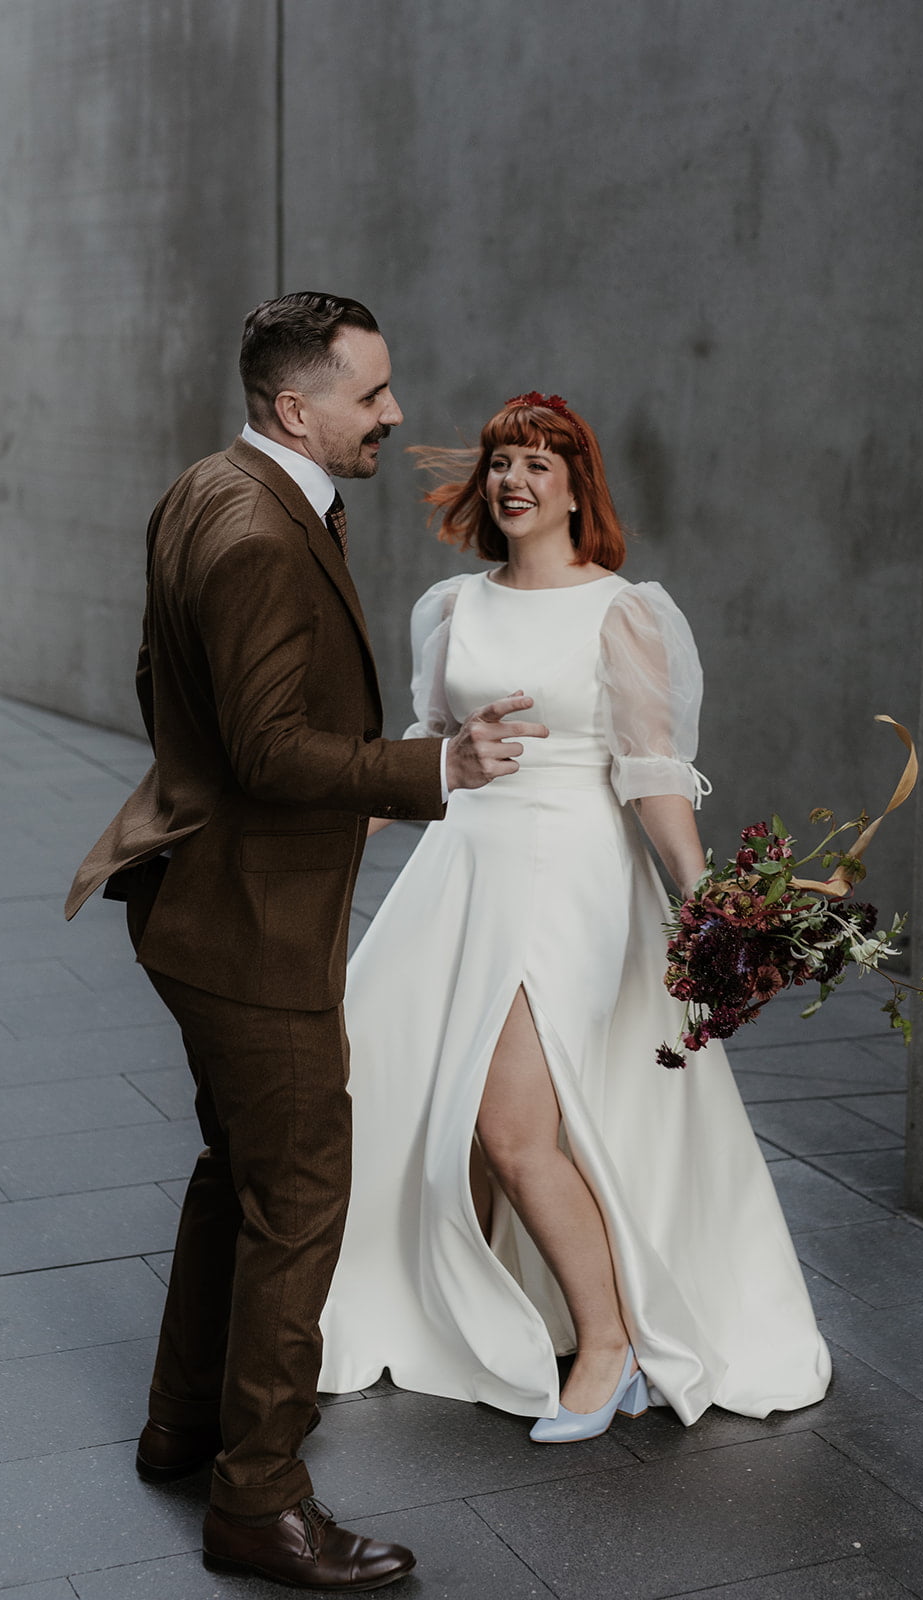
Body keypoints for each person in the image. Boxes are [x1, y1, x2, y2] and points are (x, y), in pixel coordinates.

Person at [64, 295, 547, 1592]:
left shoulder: (206, 488)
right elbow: (272, 749)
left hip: (205, 902)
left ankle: (187, 1425)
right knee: (299, 1197)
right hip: (248, 927)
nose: (395, 413)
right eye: (371, 395)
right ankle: (259, 1503)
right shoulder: (255, 533)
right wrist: (436, 767)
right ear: (296, 408)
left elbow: (164, 683)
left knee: (236, 1171)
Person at [318, 392, 831, 1438]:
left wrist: (712, 906)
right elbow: (427, 754)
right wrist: (318, 832)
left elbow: (651, 772)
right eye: (501, 461)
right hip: (462, 873)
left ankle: (611, 1343)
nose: (513, 480)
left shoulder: (620, 611)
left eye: (538, 465)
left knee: (514, 1129)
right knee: (403, 1085)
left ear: (575, 489)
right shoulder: (451, 607)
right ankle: (467, 1305)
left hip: (570, 880)